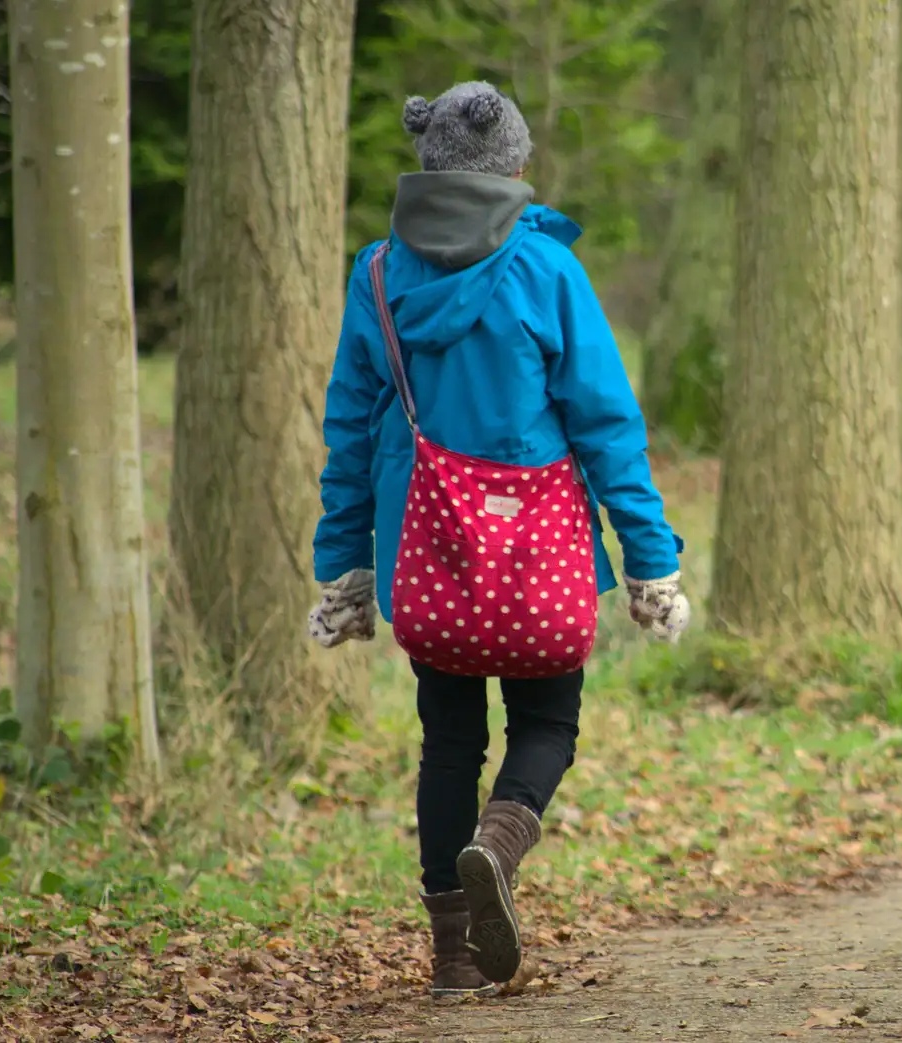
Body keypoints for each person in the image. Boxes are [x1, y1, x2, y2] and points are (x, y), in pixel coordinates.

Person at [304, 81, 691, 998]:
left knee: (448, 742)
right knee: (548, 722)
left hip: (423, 557)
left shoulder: (377, 276)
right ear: (513, 167)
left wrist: (344, 568)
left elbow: (351, 429)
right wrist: (650, 559)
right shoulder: (547, 269)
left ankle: (454, 957)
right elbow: (606, 425)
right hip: (540, 557)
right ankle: (500, 839)